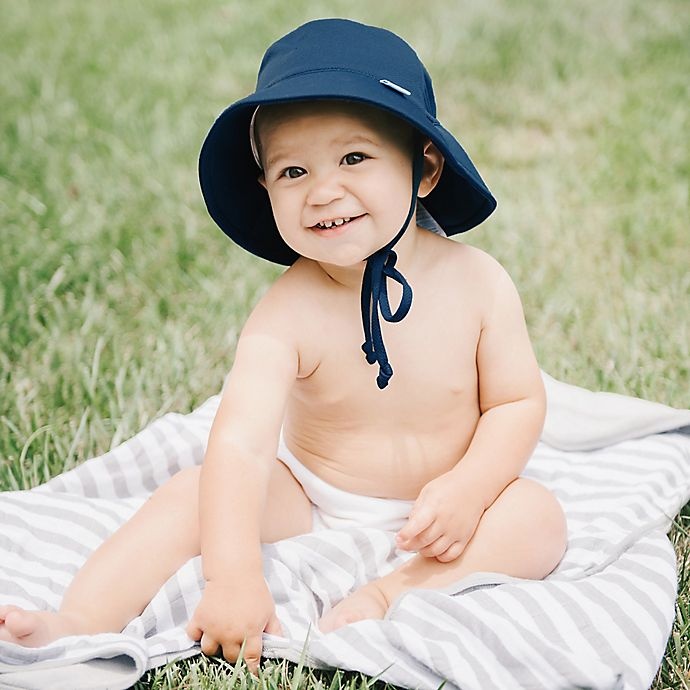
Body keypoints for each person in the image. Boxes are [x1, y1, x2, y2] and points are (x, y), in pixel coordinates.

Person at [0, 18, 567, 673]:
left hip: (443, 505)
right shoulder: (287, 313)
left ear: (425, 168)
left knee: (537, 517)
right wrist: (233, 575)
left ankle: (398, 590)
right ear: (266, 188)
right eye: (293, 170)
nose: (324, 191)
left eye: (354, 158)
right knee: (193, 494)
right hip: (313, 498)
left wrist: (471, 488)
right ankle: (77, 621)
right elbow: (240, 444)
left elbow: (517, 402)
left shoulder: (479, 283)